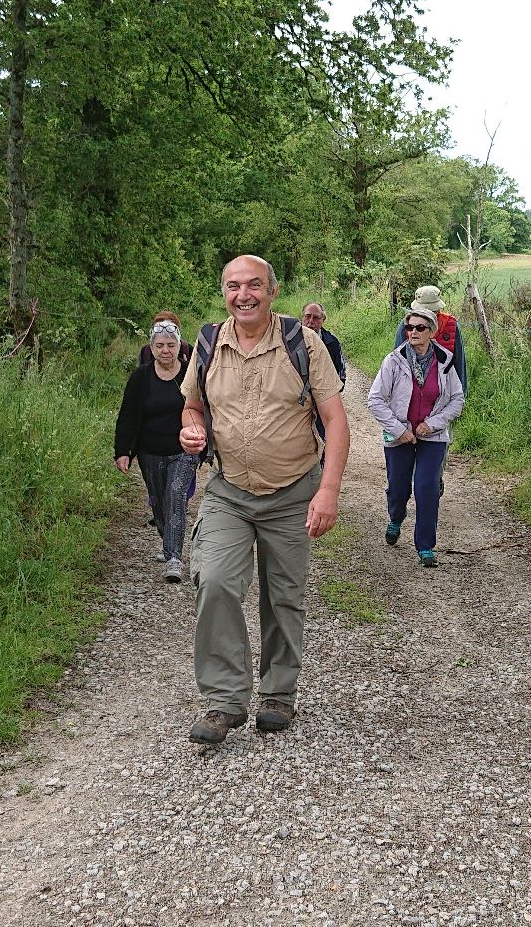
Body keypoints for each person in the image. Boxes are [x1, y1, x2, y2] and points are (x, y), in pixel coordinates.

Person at [178, 255, 348, 744]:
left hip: (292, 492)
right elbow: (192, 407)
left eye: (254, 285)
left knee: (283, 595)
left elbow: (336, 420)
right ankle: (225, 700)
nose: (243, 295)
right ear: (224, 293)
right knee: (214, 581)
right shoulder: (208, 343)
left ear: (272, 291)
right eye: (233, 286)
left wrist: (328, 491)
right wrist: (191, 430)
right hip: (229, 491)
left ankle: (278, 694)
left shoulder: (303, 343)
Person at [367, 302, 465, 568]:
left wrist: (432, 424)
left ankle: (425, 546)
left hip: (433, 436)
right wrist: (400, 430)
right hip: (400, 435)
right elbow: (375, 400)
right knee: (398, 488)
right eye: (409, 327)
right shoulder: (393, 360)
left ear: (432, 331)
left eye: (420, 328)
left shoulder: (445, 361)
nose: (413, 332)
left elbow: (457, 399)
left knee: (427, 487)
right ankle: (395, 518)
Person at [114, 318, 198, 584]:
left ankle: (174, 558)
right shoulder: (140, 377)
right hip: (149, 451)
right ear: (151, 348)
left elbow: (205, 408)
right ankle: (168, 539)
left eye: (171, 345)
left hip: (184, 450)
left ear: (179, 346)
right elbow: (127, 415)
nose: (165, 350)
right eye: (160, 345)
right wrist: (122, 450)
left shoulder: (190, 374)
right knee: (159, 501)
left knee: (175, 495)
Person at [393, 284, 468, 392]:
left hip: (444, 389)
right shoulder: (407, 325)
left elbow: (459, 361)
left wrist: (461, 392)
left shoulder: (451, 325)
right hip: (412, 388)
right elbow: (398, 359)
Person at [300, 302, 348, 381]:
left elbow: (340, 373)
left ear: (323, 320)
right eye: (307, 316)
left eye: (316, 318)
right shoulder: (289, 337)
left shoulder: (332, 341)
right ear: (302, 317)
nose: (311, 321)